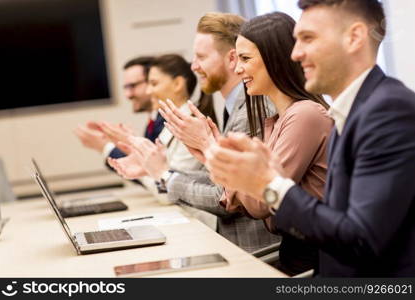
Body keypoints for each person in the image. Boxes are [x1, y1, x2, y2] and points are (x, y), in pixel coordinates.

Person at [206, 0, 415, 277]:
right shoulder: (352, 111)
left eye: (308, 39)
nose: (295, 54)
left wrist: (271, 186)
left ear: (354, 37)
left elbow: (361, 239)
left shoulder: (387, 111)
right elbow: (335, 226)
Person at [215, 12, 332, 276]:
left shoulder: (305, 115)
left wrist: (239, 180)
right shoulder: (279, 120)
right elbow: (244, 197)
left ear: (275, 58)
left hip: (313, 261)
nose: (237, 69)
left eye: (245, 58)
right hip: (296, 254)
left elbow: (258, 204)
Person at [156, 13, 280, 253]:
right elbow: (218, 181)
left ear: (232, 58)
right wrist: (163, 173)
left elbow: (225, 198)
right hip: (235, 247)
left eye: (201, 57)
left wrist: (168, 178)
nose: (193, 66)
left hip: (256, 256)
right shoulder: (235, 107)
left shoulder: (252, 109)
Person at [107, 54, 217, 211]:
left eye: (153, 83)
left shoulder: (190, 127)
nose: (149, 90)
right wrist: (146, 167)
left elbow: (169, 194)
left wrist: (147, 167)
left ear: (178, 83)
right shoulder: (172, 125)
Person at [74, 56, 165, 161]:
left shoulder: (166, 121)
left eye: (133, 86)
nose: (128, 95)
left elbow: (154, 169)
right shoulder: (154, 120)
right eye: (126, 87)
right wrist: (116, 140)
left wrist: (105, 147)